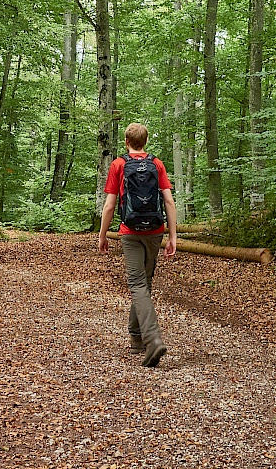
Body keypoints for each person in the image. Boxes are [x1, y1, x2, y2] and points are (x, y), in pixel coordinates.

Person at [97, 122, 178, 367]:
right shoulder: (157, 164)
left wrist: (102, 235)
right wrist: (173, 236)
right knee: (144, 282)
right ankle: (136, 337)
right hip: (155, 231)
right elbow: (169, 202)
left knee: (136, 283)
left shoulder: (119, 165)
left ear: (126, 141)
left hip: (130, 231)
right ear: (146, 141)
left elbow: (110, 205)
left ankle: (153, 339)